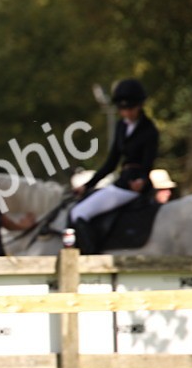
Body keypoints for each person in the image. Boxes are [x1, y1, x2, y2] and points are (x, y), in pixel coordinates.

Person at [68, 79, 160, 253]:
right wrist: (88, 185)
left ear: (140, 106)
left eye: (131, 108)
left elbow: (149, 161)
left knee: (78, 213)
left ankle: (92, 258)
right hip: (122, 181)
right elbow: (111, 162)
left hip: (134, 185)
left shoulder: (149, 130)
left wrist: (142, 179)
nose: (127, 113)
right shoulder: (121, 127)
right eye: (123, 109)